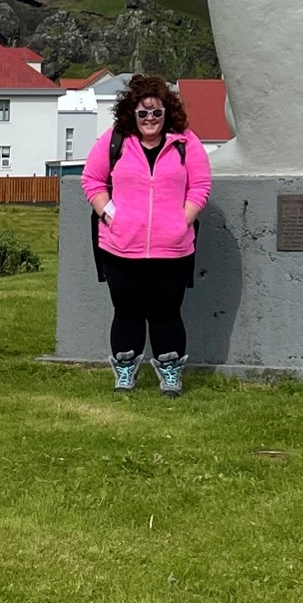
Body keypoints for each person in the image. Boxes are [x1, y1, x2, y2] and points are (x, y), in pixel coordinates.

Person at [82, 73, 211, 396]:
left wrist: (183, 220)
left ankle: (170, 373)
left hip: (173, 250)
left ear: (167, 113)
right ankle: (125, 371)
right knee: (126, 311)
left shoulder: (186, 142)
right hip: (120, 248)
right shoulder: (115, 141)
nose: (150, 119)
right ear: (132, 114)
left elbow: (200, 186)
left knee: (167, 313)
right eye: (143, 113)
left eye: (157, 112)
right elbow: (92, 181)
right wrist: (111, 215)